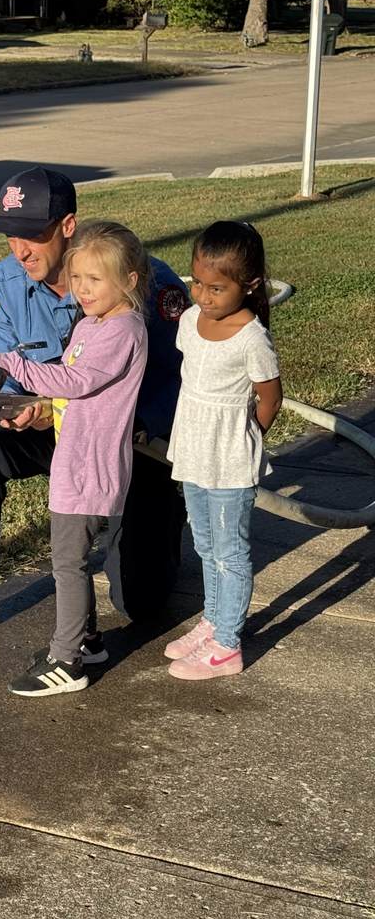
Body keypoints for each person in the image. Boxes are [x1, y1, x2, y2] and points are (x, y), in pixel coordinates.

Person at [0, 165, 189, 653]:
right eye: (9, 236)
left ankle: (166, 513)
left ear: (67, 226)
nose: (20, 250)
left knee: (143, 604)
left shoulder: (142, 281)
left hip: (132, 441)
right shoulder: (1, 287)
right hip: (56, 432)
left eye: (32, 236)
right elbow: (3, 381)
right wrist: (19, 407)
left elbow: (180, 377)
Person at [0, 221, 148, 696]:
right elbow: (66, 397)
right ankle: (87, 640)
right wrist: (36, 408)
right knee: (70, 561)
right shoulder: (90, 326)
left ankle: (67, 660)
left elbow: (75, 383)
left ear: (129, 281)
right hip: (73, 465)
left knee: (68, 566)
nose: (83, 289)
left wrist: (12, 361)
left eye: (96, 280)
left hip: (90, 472)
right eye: (78, 278)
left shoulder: (123, 330)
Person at [163, 221, 283, 681]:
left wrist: (248, 437)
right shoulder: (190, 322)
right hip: (193, 451)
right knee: (204, 542)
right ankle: (212, 621)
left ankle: (228, 644)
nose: (203, 296)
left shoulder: (252, 338)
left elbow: (268, 397)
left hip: (229, 459)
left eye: (217, 288)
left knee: (229, 551)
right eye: (197, 283)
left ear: (249, 285)